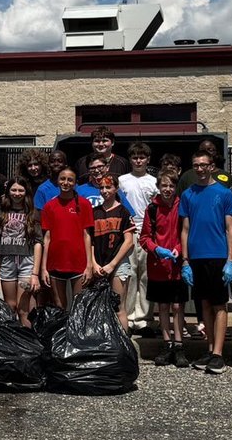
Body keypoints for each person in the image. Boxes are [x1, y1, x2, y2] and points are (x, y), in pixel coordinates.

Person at [179, 150, 232, 375]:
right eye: (196, 165)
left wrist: (230, 260)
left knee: (219, 305)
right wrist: (185, 261)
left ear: (212, 166)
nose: (200, 169)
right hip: (196, 257)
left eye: (204, 165)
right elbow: (184, 229)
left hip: (218, 256)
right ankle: (210, 348)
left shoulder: (224, 194)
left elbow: (230, 229)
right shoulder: (188, 194)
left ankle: (219, 355)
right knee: (204, 306)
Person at [141, 170, 187, 367]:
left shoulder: (182, 207)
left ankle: (179, 344)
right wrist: (156, 249)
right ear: (158, 187)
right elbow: (144, 238)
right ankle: (167, 343)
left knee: (178, 306)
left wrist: (178, 249)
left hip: (177, 265)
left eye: (171, 186)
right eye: (164, 185)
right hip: (158, 265)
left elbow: (186, 232)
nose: (167, 189)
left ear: (176, 187)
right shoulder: (152, 209)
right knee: (163, 306)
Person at [118, 141, 159, 333]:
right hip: (129, 231)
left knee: (146, 275)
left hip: (148, 233)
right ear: (130, 160)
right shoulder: (122, 180)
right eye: (135, 157)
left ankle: (144, 319)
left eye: (142, 157)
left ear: (148, 159)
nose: (138, 161)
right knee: (130, 274)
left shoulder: (153, 181)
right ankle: (128, 316)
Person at [40, 167, 94, 308]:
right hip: (55, 263)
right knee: (60, 307)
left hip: (78, 263)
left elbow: (87, 235)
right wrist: (44, 268)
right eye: (62, 179)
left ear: (75, 183)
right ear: (57, 181)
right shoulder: (49, 206)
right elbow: (47, 237)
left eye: (70, 180)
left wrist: (89, 265)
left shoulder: (84, 204)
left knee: (79, 307)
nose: (66, 182)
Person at [0, 177, 43, 324]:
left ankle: (27, 342)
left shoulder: (33, 213)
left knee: (23, 308)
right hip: (6, 262)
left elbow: (38, 242)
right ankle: (12, 341)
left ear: (26, 192)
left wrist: (35, 273)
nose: (17, 193)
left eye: (21, 190)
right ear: (8, 192)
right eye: (13, 190)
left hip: (27, 261)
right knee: (10, 305)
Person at [91, 175, 135, 329]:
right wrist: (93, 263)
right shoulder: (94, 212)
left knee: (118, 308)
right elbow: (89, 241)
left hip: (118, 263)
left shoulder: (123, 211)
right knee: (99, 308)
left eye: (108, 187)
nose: (104, 191)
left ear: (116, 188)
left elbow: (129, 241)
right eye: (101, 187)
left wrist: (112, 264)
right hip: (99, 263)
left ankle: (124, 345)